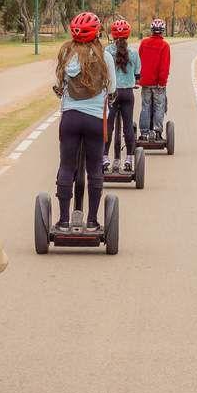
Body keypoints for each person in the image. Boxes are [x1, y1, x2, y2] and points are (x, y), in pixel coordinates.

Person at [53, 12, 117, 232]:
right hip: (95, 120)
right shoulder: (105, 57)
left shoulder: (66, 55)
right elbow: (112, 88)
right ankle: (91, 222)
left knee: (66, 167)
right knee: (95, 169)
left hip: (70, 118)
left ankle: (63, 221)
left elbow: (59, 86)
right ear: (97, 33)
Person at [104, 18, 140, 172]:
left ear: (112, 35)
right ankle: (129, 158)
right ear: (128, 35)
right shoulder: (134, 53)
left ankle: (104, 157)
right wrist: (133, 80)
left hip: (112, 93)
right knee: (128, 126)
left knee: (108, 125)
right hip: (127, 93)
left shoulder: (107, 52)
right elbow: (138, 74)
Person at [137, 18, 171, 140]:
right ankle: (157, 132)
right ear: (162, 31)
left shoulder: (144, 43)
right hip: (158, 84)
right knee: (159, 107)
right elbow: (164, 66)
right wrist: (162, 82)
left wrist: (139, 77)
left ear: (152, 30)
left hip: (145, 82)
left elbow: (139, 61)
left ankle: (144, 133)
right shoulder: (164, 46)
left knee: (145, 106)